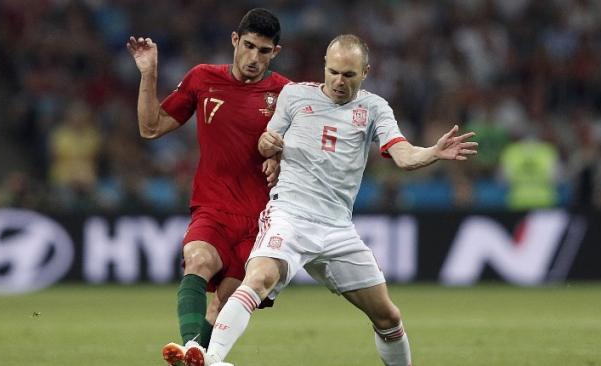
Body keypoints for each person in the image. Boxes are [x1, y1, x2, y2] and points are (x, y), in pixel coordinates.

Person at [181, 34, 478, 366]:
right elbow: (267, 143)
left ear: (365, 72)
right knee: (260, 277)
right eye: (333, 71)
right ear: (324, 67)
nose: (339, 81)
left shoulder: (373, 107)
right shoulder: (294, 95)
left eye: (349, 75)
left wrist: (433, 153)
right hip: (289, 214)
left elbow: (403, 155)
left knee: (388, 317)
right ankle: (211, 360)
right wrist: (269, 146)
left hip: (337, 228)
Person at [126, 8, 289, 366]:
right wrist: (149, 73)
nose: (253, 57)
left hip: (262, 219)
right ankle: (192, 349)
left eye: (264, 51)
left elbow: (305, 153)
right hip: (212, 207)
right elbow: (150, 127)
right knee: (196, 261)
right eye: (248, 46)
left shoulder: (286, 94)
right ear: (235, 40)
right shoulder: (202, 79)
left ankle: (196, 355)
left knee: (225, 303)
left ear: (275, 53)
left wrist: (281, 157)